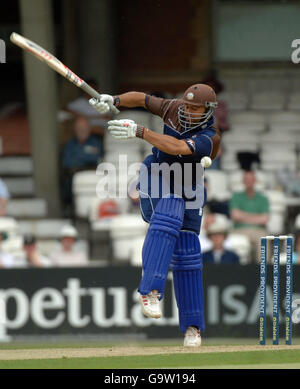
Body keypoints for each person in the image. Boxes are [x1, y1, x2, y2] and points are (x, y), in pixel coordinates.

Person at [89, 83, 221, 347]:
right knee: (171, 207)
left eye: (195, 108)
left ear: (207, 110)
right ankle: (150, 289)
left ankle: (193, 328)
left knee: (188, 252)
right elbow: (142, 98)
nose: (188, 111)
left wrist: (139, 131)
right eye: (187, 104)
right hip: (156, 174)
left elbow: (177, 148)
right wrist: (114, 99)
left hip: (190, 182)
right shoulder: (173, 107)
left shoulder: (210, 136)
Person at [61, 116, 102, 214]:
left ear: (89, 129)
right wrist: (86, 157)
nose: (82, 130)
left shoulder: (96, 142)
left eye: (84, 128)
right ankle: (70, 210)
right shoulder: (70, 145)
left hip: (93, 174)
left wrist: (79, 157)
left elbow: (98, 159)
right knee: (67, 182)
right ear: (75, 130)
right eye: (79, 128)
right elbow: (67, 162)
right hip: (74, 174)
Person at [230, 170, 270, 263]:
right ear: (243, 181)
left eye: (250, 179)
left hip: (258, 231)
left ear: (255, 181)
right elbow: (235, 215)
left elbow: (265, 219)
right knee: (234, 241)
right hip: (239, 230)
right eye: (246, 179)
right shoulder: (236, 196)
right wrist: (256, 216)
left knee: (263, 241)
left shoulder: (263, 198)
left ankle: (263, 271)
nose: (248, 182)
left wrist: (243, 216)